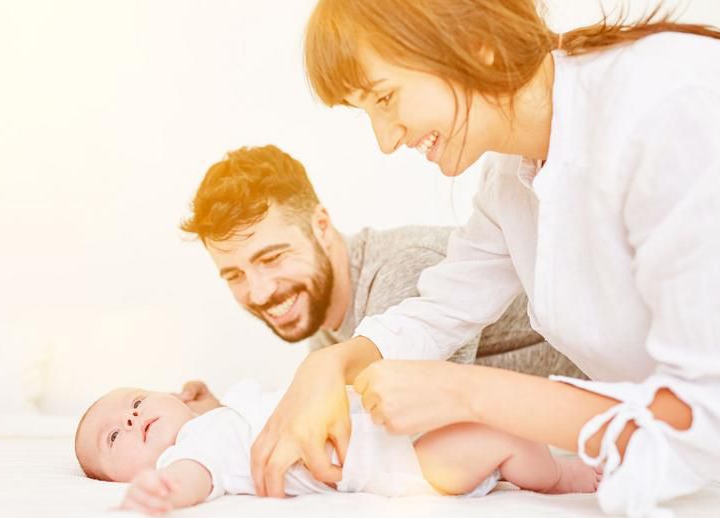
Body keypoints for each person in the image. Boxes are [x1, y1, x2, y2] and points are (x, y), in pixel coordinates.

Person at [249, 0, 720, 518]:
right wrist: (331, 363)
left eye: (385, 98)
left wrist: (467, 392)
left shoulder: (666, 111)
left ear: (477, 44)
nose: (386, 140)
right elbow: (443, 307)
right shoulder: (511, 175)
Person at [177, 145, 583, 408]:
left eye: (272, 258)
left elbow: (394, 436)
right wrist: (220, 419)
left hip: (622, 415)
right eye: (234, 275)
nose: (260, 291)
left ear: (321, 225)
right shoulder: (317, 312)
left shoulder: (401, 270)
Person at [74, 380, 600, 516]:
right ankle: (561, 478)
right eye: (115, 435)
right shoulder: (190, 453)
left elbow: (235, 419)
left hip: (393, 424)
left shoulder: (219, 418)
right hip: (398, 464)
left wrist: (208, 402)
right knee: (500, 434)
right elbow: (197, 473)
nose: (133, 416)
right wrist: (166, 490)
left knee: (490, 409)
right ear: (115, 477)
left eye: (137, 400)